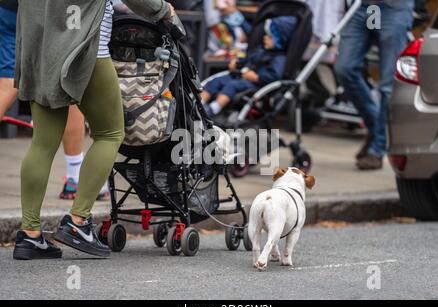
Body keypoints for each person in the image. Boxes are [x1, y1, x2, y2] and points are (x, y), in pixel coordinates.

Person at [13, 0, 175, 260]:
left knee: (42, 143)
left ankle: (29, 234)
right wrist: (162, 10)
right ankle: (78, 221)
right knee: (110, 133)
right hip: (85, 48)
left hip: (39, 46)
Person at [0, 0, 109, 201]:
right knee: (70, 84)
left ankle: (32, 226)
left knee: (7, 83)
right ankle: (75, 177)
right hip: (53, 12)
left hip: (12, 8)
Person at [335, 0, 414, 170]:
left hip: (394, 8)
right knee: (344, 68)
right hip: (364, 6)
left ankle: (377, 149)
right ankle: (376, 125)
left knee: (388, 85)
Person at [201, 16, 298, 117]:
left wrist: (258, 77)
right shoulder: (261, 50)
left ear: (279, 39)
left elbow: (274, 76)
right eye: (265, 35)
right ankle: (199, 104)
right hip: (242, 76)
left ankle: (213, 109)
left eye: (270, 36)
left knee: (232, 86)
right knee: (216, 81)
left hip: (257, 84)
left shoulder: (279, 58)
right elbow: (248, 59)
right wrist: (238, 63)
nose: (265, 37)